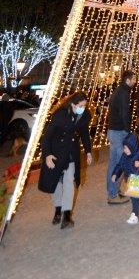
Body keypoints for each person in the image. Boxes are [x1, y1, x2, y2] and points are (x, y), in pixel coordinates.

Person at [38, 91, 92, 229]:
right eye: (80, 105)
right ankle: (58, 209)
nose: (83, 108)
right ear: (73, 104)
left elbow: (85, 133)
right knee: (56, 182)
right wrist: (47, 155)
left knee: (69, 181)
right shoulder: (60, 114)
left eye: (84, 105)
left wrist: (88, 151)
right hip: (56, 151)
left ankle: (67, 215)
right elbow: (47, 136)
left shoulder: (84, 115)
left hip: (71, 152)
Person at [106, 70, 135, 205]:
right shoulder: (124, 93)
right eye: (133, 79)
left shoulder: (120, 91)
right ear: (127, 80)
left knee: (116, 163)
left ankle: (114, 190)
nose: (135, 81)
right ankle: (112, 194)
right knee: (117, 164)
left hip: (115, 130)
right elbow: (124, 113)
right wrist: (128, 131)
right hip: (118, 132)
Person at [111, 132, 139, 225]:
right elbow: (120, 165)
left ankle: (134, 215)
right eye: (124, 148)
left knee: (134, 197)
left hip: (138, 179)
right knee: (134, 196)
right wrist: (115, 174)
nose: (124, 150)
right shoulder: (124, 156)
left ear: (132, 146)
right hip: (128, 179)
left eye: (126, 148)